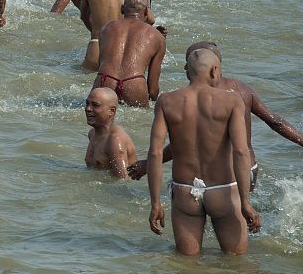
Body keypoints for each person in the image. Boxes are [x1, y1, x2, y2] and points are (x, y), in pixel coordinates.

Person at [130, 41, 303, 192]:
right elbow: (275, 122)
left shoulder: (190, 99)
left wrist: (149, 164)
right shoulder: (242, 89)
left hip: (218, 176)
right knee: (239, 217)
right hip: (248, 169)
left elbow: (187, 142)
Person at [146, 48, 259, 255]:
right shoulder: (232, 101)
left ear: (187, 71)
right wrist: (245, 202)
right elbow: (241, 152)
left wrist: (155, 203)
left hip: (184, 192)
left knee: (187, 267)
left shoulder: (167, 100)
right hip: (223, 191)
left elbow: (155, 153)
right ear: (215, 71)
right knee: (237, 266)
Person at [92, 0, 164, 107]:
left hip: (105, 80)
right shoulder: (156, 36)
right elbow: (153, 90)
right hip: (135, 83)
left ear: (122, 9)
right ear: (146, 11)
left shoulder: (106, 28)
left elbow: (101, 63)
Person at [85, 87, 138, 179]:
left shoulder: (115, 141)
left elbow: (123, 181)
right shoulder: (92, 134)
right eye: (87, 104)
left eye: (95, 105)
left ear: (111, 111)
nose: (88, 109)